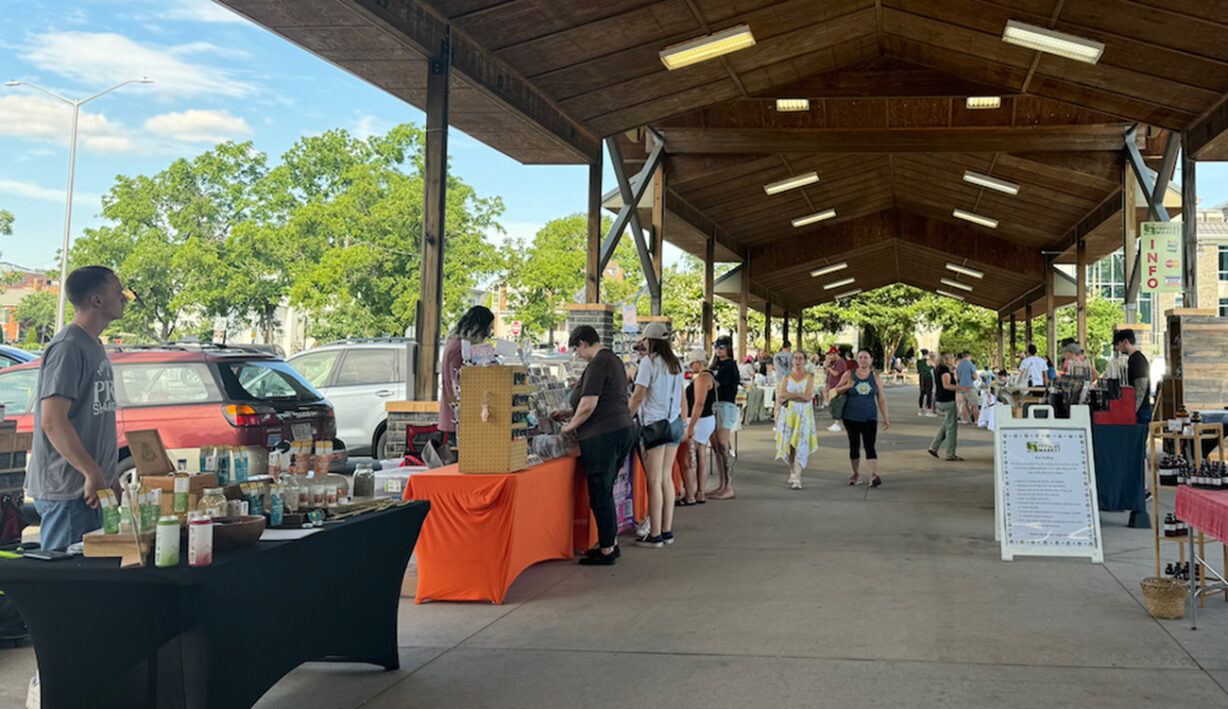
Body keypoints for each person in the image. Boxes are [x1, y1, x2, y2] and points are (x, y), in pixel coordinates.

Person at [28, 266, 126, 551]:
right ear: (97, 300)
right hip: (70, 492)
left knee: (90, 583)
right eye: (118, 292)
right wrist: (92, 473)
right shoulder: (68, 347)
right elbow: (53, 421)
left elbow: (91, 418)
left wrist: (109, 476)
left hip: (93, 487)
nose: (124, 298)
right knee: (67, 585)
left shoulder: (94, 344)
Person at [553, 326, 638, 566]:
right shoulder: (613, 359)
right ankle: (609, 542)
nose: (578, 355)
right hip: (621, 428)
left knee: (600, 491)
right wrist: (570, 412)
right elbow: (603, 399)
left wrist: (569, 428)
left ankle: (607, 549)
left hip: (602, 435)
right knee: (606, 489)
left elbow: (590, 404)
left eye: (577, 350)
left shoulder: (598, 363)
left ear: (582, 343)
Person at [628, 323, 684, 548]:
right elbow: (680, 396)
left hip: (654, 425)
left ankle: (655, 535)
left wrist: (626, 418)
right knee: (666, 478)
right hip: (674, 424)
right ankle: (667, 530)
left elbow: (638, 395)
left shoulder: (647, 363)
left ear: (649, 342)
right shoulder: (677, 364)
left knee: (654, 480)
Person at [438, 305, 495, 449]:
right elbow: (459, 381)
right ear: (479, 328)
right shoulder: (461, 349)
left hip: (454, 415)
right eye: (489, 328)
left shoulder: (455, 344)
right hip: (459, 418)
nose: (489, 333)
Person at [834, 348, 890, 487]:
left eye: (866, 358)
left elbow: (881, 399)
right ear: (857, 360)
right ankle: (856, 474)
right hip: (851, 416)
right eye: (860, 357)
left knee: (870, 445)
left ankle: (874, 474)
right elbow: (836, 390)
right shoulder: (849, 374)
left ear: (871, 360)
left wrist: (885, 418)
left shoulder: (875, 377)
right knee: (854, 445)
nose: (863, 360)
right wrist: (847, 386)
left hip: (869, 416)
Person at [774, 351, 818, 490]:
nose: (797, 361)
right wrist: (799, 396)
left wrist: (791, 396)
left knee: (800, 443)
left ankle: (797, 477)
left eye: (800, 358)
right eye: (795, 358)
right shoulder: (786, 376)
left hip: (803, 414)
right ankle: (792, 471)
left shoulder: (809, 376)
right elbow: (782, 395)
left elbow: (808, 396)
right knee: (790, 444)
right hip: (789, 414)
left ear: (805, 361)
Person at [679, 350, 716, 506]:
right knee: (701, 455)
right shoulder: (710, 377)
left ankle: (690, 494)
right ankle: (699, 492)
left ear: (698, 363)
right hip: (706, 420)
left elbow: (698, 404)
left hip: (699, 421)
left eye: (692, 364)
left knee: (686, 458)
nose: (690, 367)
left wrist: (691, 425)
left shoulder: (702, 378)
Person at [708, 336, 739, 500]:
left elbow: (716, 384)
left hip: (725, 405)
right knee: (717, 448)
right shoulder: (715, 365)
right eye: (716, 345)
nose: (718, 349)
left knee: (723, 445)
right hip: (714, 405)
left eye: (721, 346)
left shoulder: (730, 366)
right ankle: (722, 484)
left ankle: (729, 486)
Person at [928, 351, 963, 461]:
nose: (953, 359)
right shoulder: (944, 371)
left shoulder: (940, 369)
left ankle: (934, 447)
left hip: (940, 400)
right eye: (952, 357)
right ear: (946, 359)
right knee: (951, 428)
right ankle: (950, 453)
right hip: (947, 401)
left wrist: (953, 371)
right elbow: (947, 385)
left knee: (946, 425)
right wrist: (962, 388)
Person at [1114, 329, 1151, 424]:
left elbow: (1141, 388)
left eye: (1118, 344)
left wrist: (1132, 411)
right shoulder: (1133, 359)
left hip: (1140, 411)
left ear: (1125, 342)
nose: (1117, 348)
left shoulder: (1137, 360)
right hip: (1139, 410)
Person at [824, 348, 847, 432]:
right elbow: (828, 373)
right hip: (832, 387)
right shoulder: (835, 363)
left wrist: (829, 367)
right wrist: (828, 365)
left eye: (831, 355)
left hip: (837, 387)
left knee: (835, 405)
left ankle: (837, 424)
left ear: (835, 354)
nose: (830, 356)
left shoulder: (841, 363)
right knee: (832, 405)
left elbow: (836, 374)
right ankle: (836, 423)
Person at [955, 351, 979, 424]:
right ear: (969, 357)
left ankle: (965, 420)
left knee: (964, 405)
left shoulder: (959, 365)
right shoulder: (970, 365)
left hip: (961, 388)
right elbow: (974, 377)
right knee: (974, 405)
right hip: (970, 387)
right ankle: (976, 420)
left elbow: (957, 377)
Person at [916, 349, 934, 415]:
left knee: (922, 393)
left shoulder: (918, 361)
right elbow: (936, 366)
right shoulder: (929, 361)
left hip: (921, 377)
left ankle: (920, 409)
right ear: (927, 354)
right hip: (928, 377)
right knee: (929, 393)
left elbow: (917, 371)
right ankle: (929, 409)